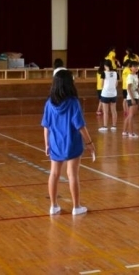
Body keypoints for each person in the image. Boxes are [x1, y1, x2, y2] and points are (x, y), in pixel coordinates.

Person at [42, 69, 95, 216]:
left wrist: (47, 144)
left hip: (55, 142)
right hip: (72, 142)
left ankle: (53, 206)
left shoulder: (49, 103)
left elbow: (46, 126)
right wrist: (89, 142)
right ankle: (76, 206)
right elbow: (80, 125)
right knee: (72, 175)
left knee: (54, 174)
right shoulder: (73, 102)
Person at [98, 59, 118, 132]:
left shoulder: (104, 73)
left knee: (105, 111)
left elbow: (102, 84)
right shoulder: (116, 73)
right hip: (113, 94)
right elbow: (116, 84)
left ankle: (105, 126)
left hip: (105, 94)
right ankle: (114, 126)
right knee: (114, 110)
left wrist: (106, 89)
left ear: (105, 66)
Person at [122, 61, 139, 138]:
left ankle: (124, 131)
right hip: (132, 97)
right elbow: (128, 88)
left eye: (136, 66)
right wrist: (132, 98)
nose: (136, 68)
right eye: (134, 66)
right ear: (130, 68)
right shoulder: (130, 76)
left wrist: (137, 89)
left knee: (130, 115)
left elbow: (134, 86)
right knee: (131, 116)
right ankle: (131, 133)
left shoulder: (135, 75)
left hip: (135, 95)